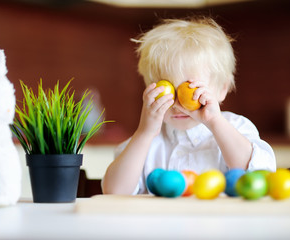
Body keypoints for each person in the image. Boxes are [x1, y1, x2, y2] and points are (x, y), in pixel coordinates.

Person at [102, 17, 276, 195]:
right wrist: (145, 133)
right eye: (167, 92)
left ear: (222, 89)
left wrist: (215, 122)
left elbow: (259, 176)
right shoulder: (146, 141)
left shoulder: (237, 127)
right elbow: (115, 192)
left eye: (190, 91)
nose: (178, 105)